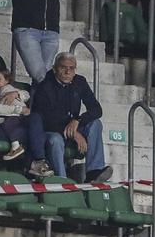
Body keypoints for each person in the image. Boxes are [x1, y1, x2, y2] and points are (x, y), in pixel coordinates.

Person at [32, 52, 108, 180]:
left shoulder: (80, 81)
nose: (68, 72)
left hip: (72, 126)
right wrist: (75, 133)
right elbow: (45, 119)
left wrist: (78, 120)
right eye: (63, 68)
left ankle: (94, 173)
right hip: (51, 130)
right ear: (55, 69)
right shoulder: (45, 85)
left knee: (96, 123)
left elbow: (96, 109)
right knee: (55, 140)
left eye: (71, 68)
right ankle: (62, 180)